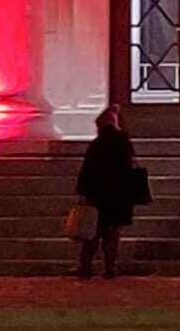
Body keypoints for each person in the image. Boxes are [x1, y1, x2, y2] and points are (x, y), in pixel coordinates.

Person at [73, 104, 138, 279]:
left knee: (92, 233)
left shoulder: (97, 144)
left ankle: (86, 266)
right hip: (118, 195)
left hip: (97, 195)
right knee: (112, 233)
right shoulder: (124, 144)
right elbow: (130, 168)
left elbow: (87, 171)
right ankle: (110, 267)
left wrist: (83, 192)